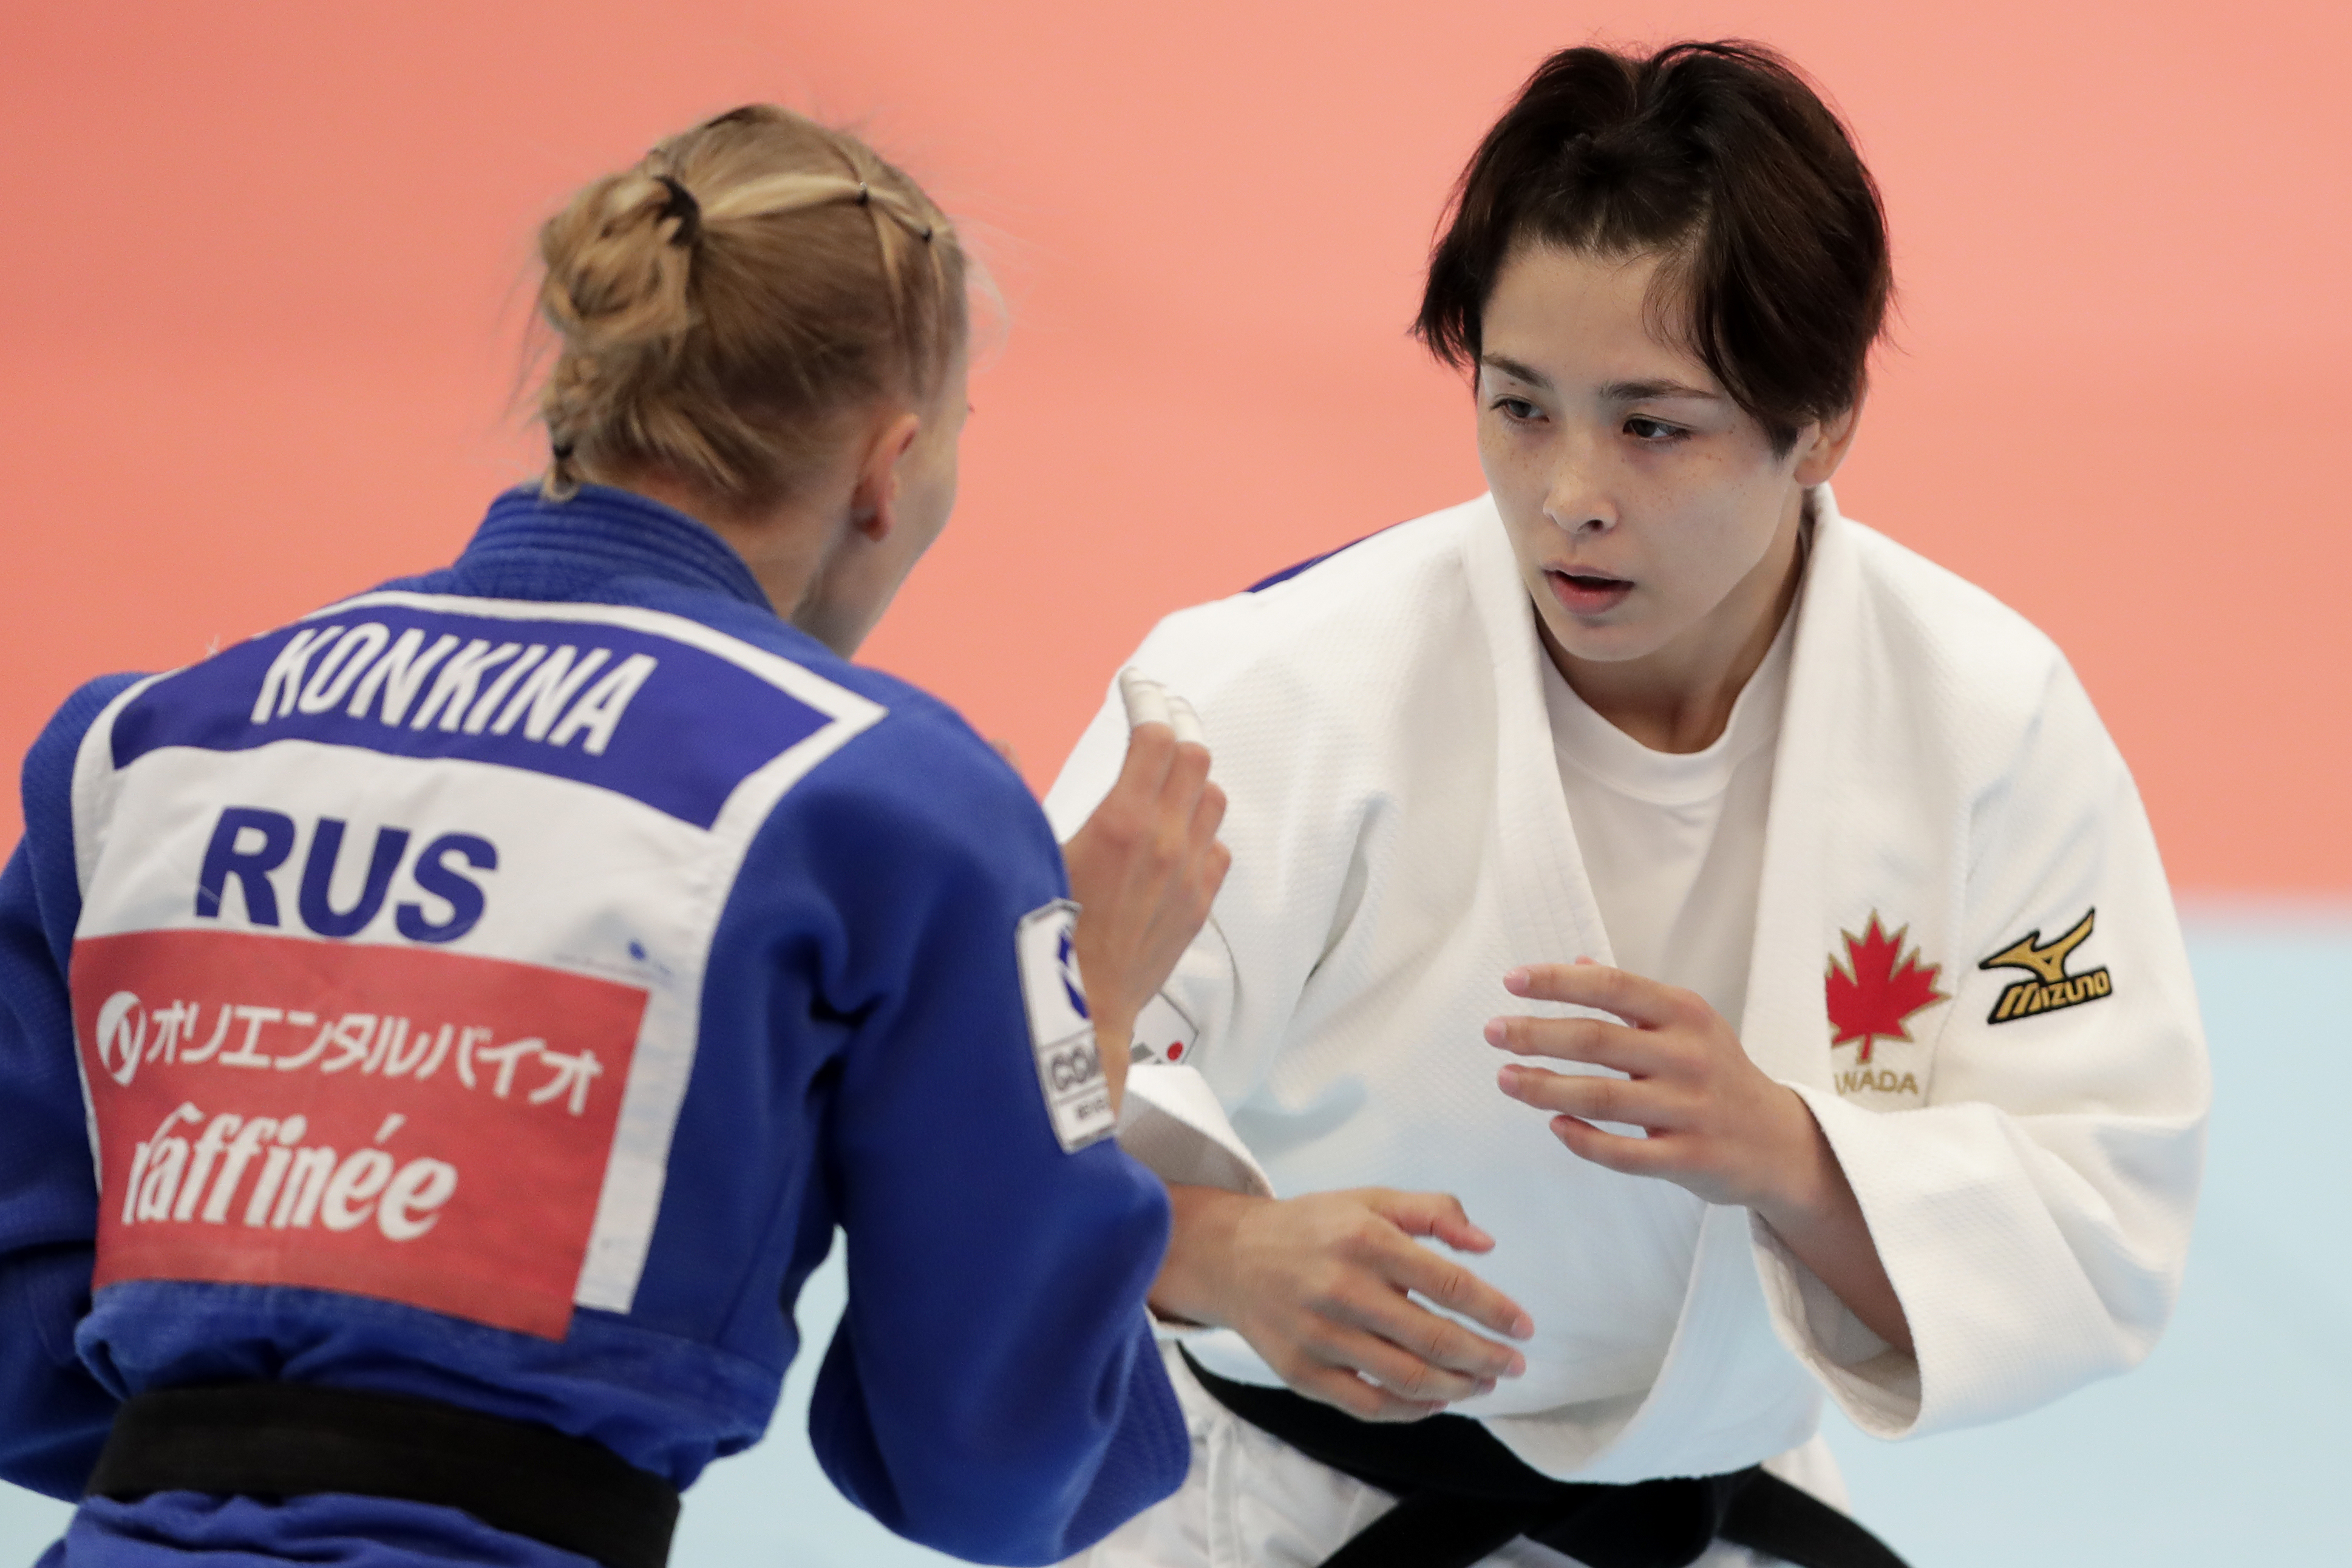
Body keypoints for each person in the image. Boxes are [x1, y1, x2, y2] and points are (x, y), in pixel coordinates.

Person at [0, 105, 1231, 1567]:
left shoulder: (138, 747)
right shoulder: (890, 804)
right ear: (888, 468)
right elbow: (991, 1469)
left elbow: (24, 1354)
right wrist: (1084, 1000)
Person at [1042, 41, 2208, 1568]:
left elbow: (2099, 1205)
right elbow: (999, 1110)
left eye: (1651, 425)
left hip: (1717, 1514)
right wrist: (1218, 1252)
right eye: (1521, 405)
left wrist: (1788, 1151)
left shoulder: (1985, 723)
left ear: (1822, 420)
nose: (1565, 493)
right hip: (1271, 1518)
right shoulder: (1263, 697)